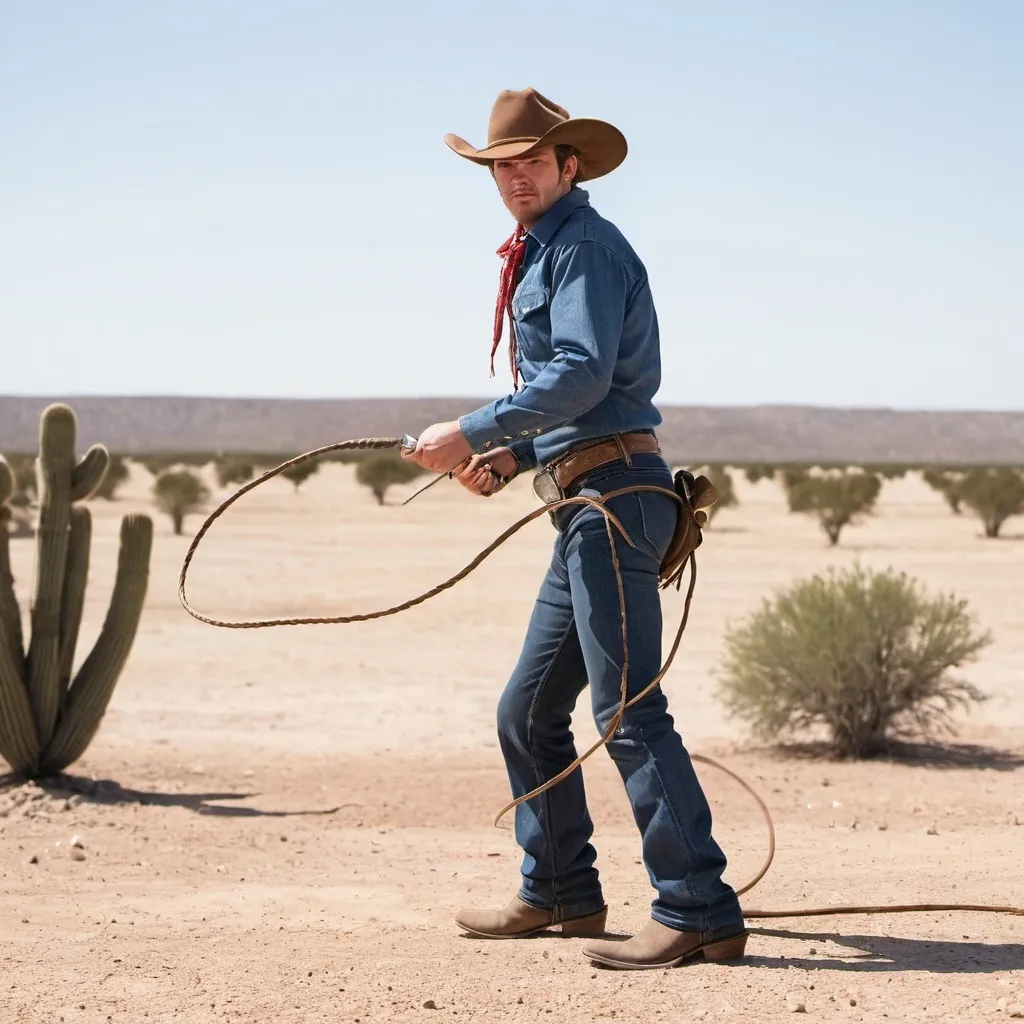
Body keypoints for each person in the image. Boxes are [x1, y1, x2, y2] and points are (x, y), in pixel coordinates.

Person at [401, 88, 746, 970]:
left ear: (570, 165)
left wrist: (473, 433)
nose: (515, 179)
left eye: (530, 163)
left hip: (612, 501)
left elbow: (585, 375)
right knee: (528, 711)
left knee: (626, 705)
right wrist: (513, 462)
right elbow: (575, 394)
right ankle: (559, 889)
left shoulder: (583, 247)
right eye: (501, 168)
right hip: (584, 499)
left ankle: (696, 905)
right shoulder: (550, 250)